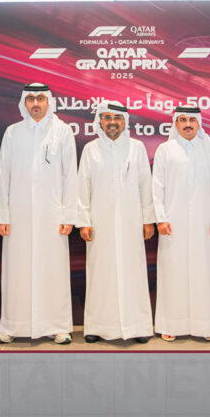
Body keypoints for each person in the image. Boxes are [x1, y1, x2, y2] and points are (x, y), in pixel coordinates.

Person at [0, 83, 77, 345]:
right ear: (24, 102)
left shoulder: (63, 131)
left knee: (53, 270)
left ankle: (58, 326)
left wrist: (68, 216)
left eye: (40, 98)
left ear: (48, 101)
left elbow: (70, 176)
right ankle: (12, 326)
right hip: (18, 216)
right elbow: (3, 175)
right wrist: (2, 216)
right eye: (30, 99)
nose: (35, 103)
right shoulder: (13, 132)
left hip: (52, 216)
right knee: (16, 270)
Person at [77, 101, 155, 343]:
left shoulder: (137, 148)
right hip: (100, 224)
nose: (112, 122)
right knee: (100, 273)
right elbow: (83, 187)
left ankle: (138, 327)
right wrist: (84, 221)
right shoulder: (90, 149)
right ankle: (97, 327)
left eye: (117, 118)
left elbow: (145, 185)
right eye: (107, 117)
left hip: (131, 222)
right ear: (100, 121)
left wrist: (148, 220)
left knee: (133, 273)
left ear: (125, 121)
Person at [152, 105, 210, 342]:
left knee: (203, 272)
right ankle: (171, 324)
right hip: (172, 223)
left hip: (204, 222)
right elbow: (157, 187)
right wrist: (161, 218)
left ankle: (205, 326)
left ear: (199, 123)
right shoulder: (165, 150)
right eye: (182, 120)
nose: (187, 124)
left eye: (192, 120)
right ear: (175, 123)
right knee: (173, 272)